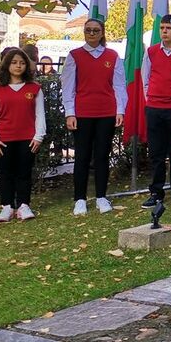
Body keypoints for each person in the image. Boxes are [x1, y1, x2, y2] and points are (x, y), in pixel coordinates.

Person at [61, 18, 126, 216]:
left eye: (95, 30)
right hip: (82, 114)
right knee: (82, 156)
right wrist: (70, 113)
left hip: (106, 113)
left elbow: (119, 85)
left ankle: (101, 197)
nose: (91, 33)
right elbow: (68, 86)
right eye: (88, 30)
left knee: (102, 156)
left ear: (102, 33)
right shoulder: (74, 56)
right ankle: (80, 199)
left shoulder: (112, 56)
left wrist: (120, 110)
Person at [0, 48, 46, 222]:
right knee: (6, 173)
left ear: (27, 66)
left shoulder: (35, 88)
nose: (18, 66)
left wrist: (39, 136)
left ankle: (23, 205)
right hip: (3, 140)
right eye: (14, 62)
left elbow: (40, 114)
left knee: (24, 172)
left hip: (28, 139)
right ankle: (7, 207)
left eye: (22, 63)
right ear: (7, 65)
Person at [140, 14, 171, 209]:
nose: (164, 31)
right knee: (156, 153)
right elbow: (145, 78)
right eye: (162, 28)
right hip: (155, 108)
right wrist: (151, 99)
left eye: (169, 28)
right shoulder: (151, 52)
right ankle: (156, 193)